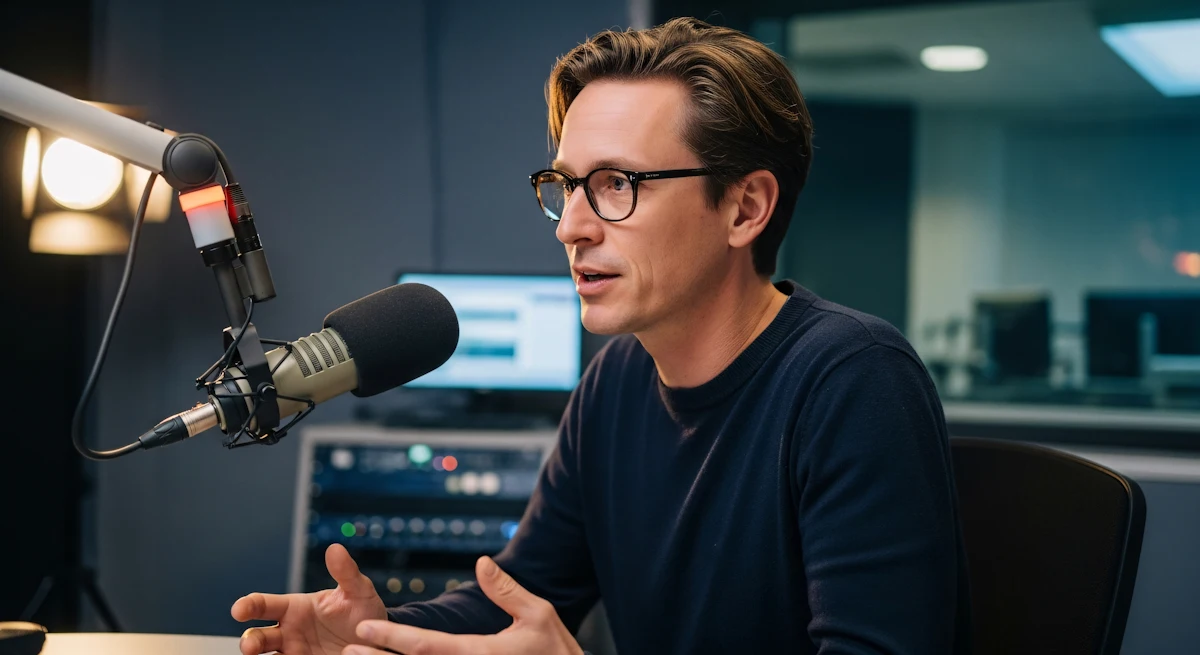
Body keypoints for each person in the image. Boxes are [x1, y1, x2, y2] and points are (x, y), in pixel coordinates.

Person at [232, 17, 970, 655]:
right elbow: (516, 597)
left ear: (745, 208)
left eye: (618, 184)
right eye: (566, 186)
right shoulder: (617, 381)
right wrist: (377, 630)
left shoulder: (854, 382)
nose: (576, 227)